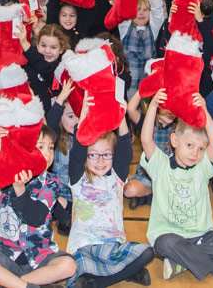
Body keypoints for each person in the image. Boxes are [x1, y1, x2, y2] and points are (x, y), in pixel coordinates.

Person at [140, 89, 213, 281]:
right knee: (164, 244)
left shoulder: (202, 168)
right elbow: (145, 139)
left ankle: (181, 263)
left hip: (202, 236)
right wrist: (153, 106)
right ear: (174, 140)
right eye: (189, 146)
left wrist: (204, 110)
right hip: (170, 236)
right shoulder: (160, 165)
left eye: (200, 148)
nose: (195, 153)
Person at [0, 128, 77, 288]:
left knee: (69, 265)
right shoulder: (8, 171)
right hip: (5, 252)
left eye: (51, 148)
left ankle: (9, 283)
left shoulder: (52, 182)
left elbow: (35, 217)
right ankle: (25, 286)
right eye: (40, 147)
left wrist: (20, 190)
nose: (47, 154)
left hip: (40, 254)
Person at [66, 95, 153, 287]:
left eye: (106, 155)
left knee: (148, 252)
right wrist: (85, 114)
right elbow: (78, 148)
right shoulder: (78, 179)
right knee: (75, 267)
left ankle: (98, 282)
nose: (100, 161)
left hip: (112, 245)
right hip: (84, 246)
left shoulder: (117, 178)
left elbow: (124, 148)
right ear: (86, 158)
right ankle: (126, 273)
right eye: (93, 155)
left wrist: (120, 115)